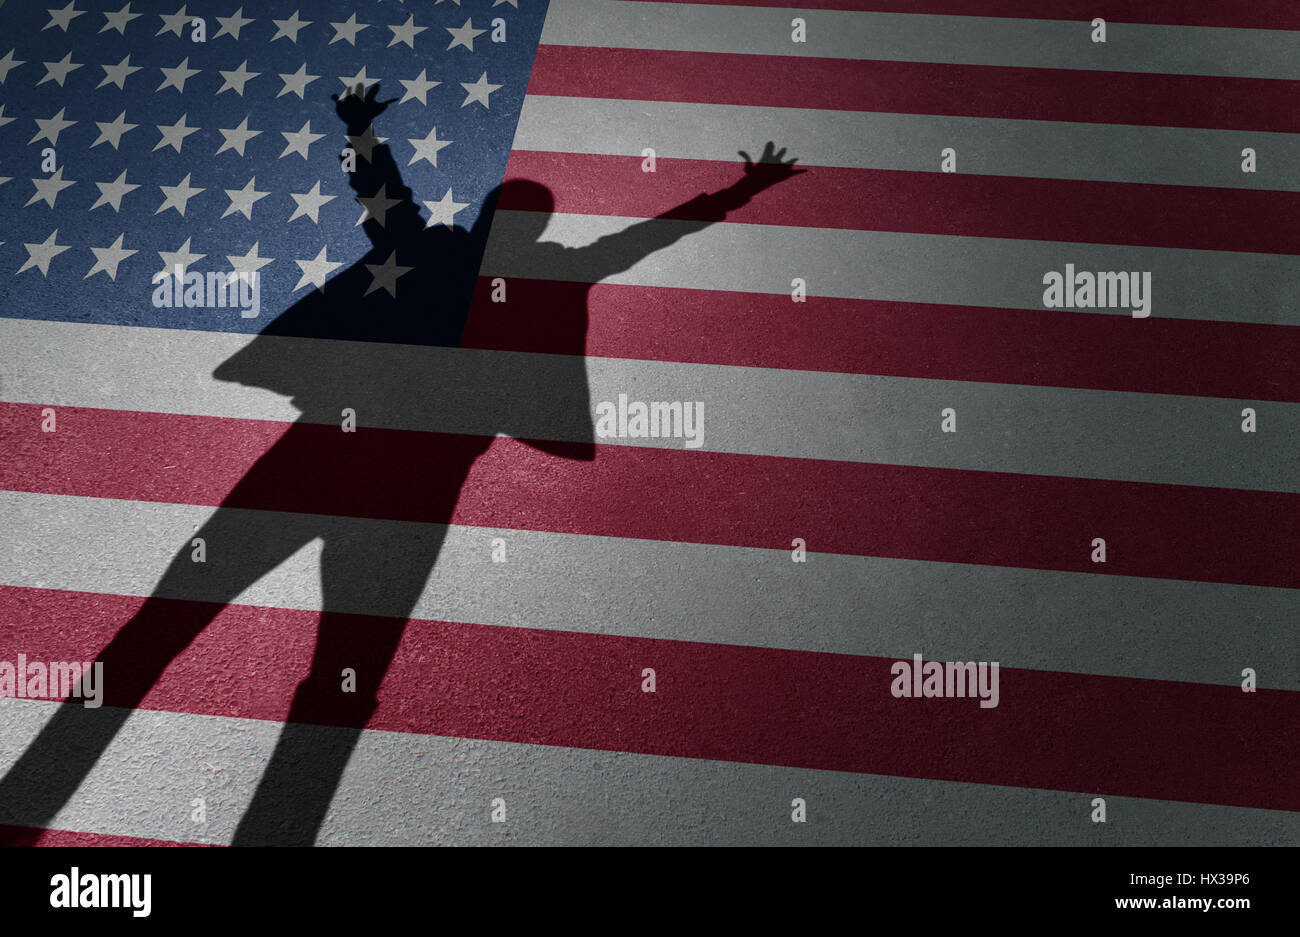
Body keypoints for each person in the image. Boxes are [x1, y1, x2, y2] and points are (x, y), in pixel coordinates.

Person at [0, 84, 804, 845]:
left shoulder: (439, 252)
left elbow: (390, 196)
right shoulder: (528, 269)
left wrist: (358, 132)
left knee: (200, 626)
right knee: (315, 673)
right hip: (396, 485)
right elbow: (630, 239)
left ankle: (30, 804)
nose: (511, 224)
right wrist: (737, 195)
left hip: (336, 464)